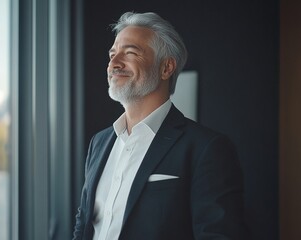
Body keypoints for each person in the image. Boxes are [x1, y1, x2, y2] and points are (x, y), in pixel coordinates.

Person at [73, 12, 247, 240]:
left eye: (130, 53)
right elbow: (84, 224)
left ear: (166, 68)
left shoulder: (207, 149)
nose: (113, 64)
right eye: (112, 54)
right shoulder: (99, 142)